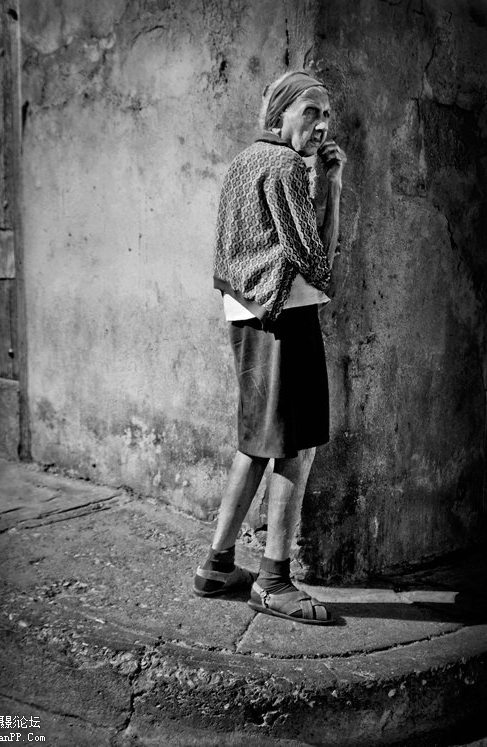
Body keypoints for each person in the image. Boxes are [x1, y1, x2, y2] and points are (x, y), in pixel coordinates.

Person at [193, 70, 346, 624]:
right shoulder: (284, 167)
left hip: (249, 313)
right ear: (280, 113)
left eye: (326, 114)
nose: (321, 125)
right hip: (285, 317)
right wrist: (332, 189)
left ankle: (217, 565)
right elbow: (316, 260)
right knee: (295, 446)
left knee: (257, 443)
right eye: (310, 111)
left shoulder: (244, 161)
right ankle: (274, 581)